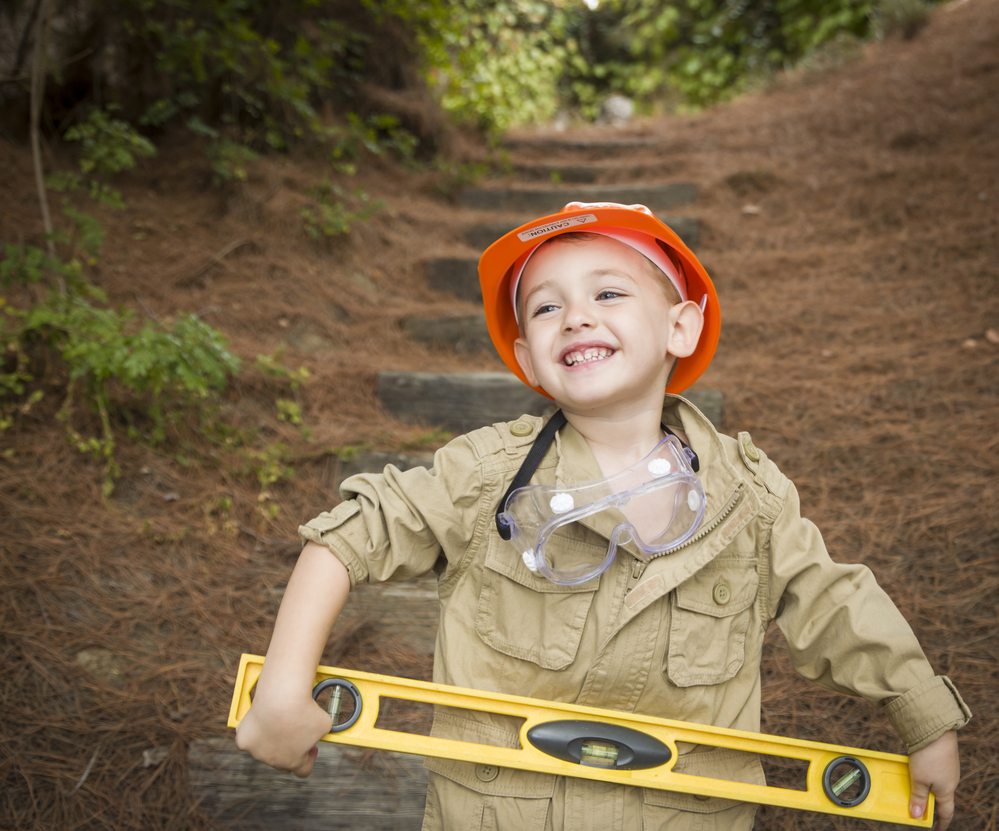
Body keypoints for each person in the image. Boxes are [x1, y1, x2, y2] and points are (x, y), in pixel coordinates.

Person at [235, 202, 971, 830]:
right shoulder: (486, 475)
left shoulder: (750, 498)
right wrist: (281, 688)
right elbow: (345, 538)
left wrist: (923, 716)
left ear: (680, 328)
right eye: (547, 305)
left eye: (609, 293)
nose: (576, 314)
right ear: (527, 355)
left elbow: (836, 603)